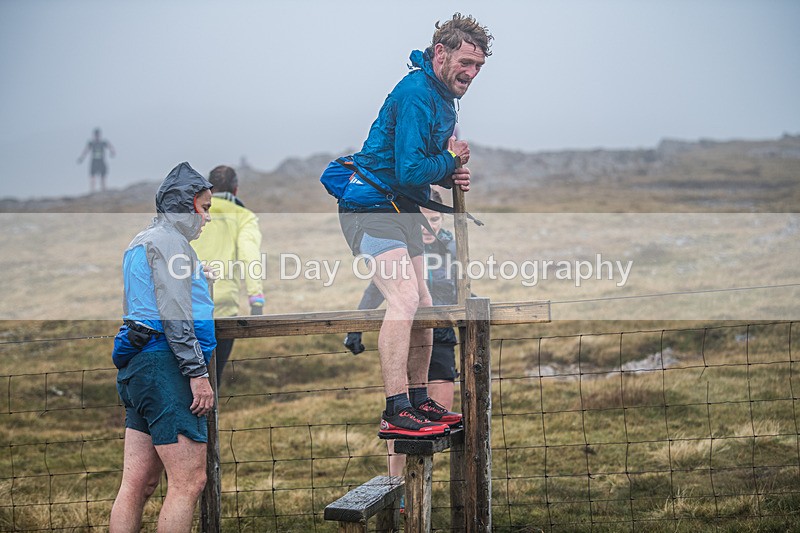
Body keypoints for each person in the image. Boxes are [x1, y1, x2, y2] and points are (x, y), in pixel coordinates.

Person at [333, 13, 492, 439]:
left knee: (423, 303)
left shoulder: (441, 97)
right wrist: (450, 163)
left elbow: (418, 169)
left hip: (400, 208)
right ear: (440, 53)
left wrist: (448, 175)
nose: (471, 73)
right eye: (466, 62)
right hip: (370, 208)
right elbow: (407, 169)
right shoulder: (418, 92)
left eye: (478, 67)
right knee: (404, 299)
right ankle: (396, 409)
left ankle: (420, 402)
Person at [109, 162, 216, 533]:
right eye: (204, 207)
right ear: (184, 205)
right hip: (166, 367)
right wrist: (198, 374)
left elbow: (149, 304)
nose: (207, 218)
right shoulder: (172, 244)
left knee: (138, 484)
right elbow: (174, 317)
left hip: (138, 368)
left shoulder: (142, 240)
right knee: (189, 482)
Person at [344, 190, 461, 474]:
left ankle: (421, 491)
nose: (428, 226)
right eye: (422, 219)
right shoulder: (399, 245)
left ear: (442, 219)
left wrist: (472, 316)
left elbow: (461, 287)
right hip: (405, 338)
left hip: (442, 338)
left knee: (436, 427)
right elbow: (375, 290)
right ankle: (396, 487)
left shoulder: (453, 248)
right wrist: (356, 329)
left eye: (433, 219)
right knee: (406, 422)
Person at [192, 165, 265, 385]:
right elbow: (249, 255)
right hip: (222, 307)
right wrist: (256, 298)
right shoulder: (243, 216)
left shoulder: (196, 212)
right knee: (212, 378)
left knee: (186, 378)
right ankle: (208, 417)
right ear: (235, 190)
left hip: (188, 303)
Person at [77, 127, 115, 193]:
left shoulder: (103, 142)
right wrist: (81, 158)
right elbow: (86, 151)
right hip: (94, 162)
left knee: (103, 176)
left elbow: (111, 147)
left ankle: (103, 189)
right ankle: (92, 190)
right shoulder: (91, 143)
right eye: (96, 134)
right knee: (93, 176)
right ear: (94, 135)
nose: (97, 136)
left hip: (101, 161)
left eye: (98, 134)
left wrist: (112, 152)